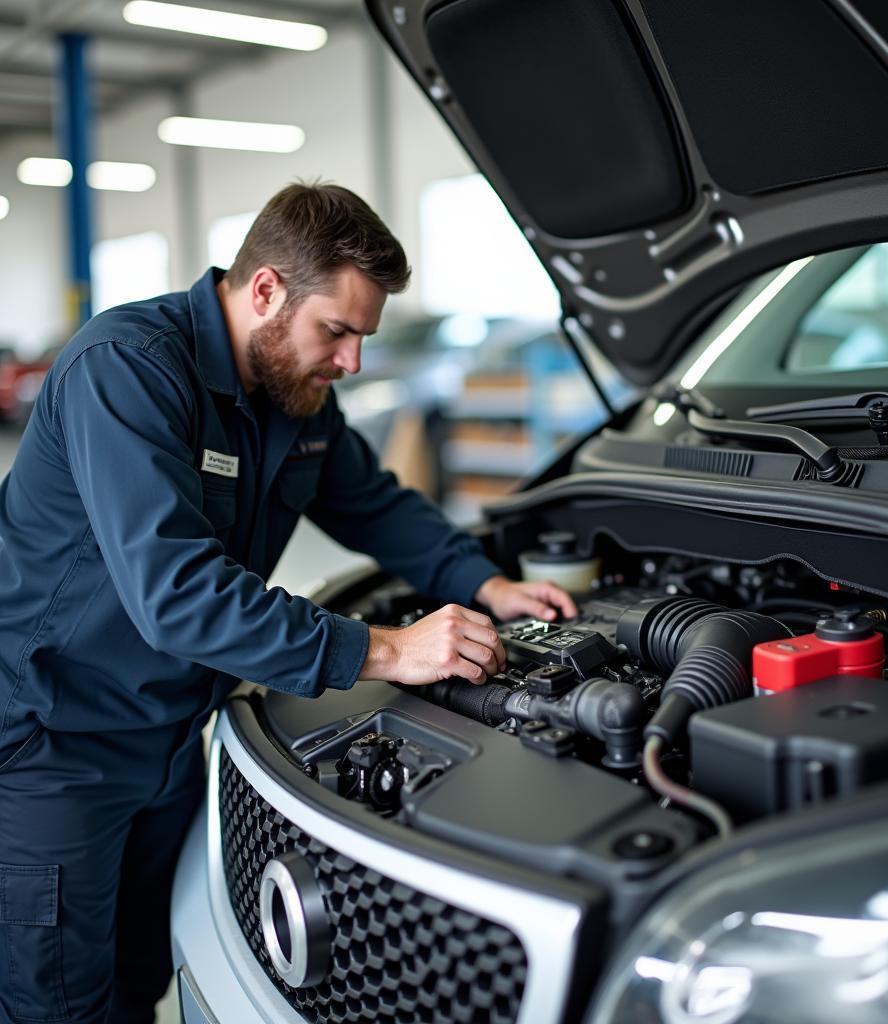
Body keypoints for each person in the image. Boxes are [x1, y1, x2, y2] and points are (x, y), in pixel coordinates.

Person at [0, 181, 577, 1023]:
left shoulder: (293, 400)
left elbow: (373, 503)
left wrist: (485, 581)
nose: (350, 362)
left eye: (362, 338)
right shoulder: (126, 370)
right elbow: (180, 598)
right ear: (266, 289)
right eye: (336, 331)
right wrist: (387, 649)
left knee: (136, 978)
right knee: (56, 1004)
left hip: (165, 741)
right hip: (55, 745)